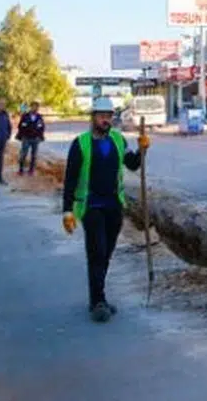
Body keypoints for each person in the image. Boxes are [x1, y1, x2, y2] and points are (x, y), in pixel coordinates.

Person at [61, 96, 150, 323]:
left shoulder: (118, 140)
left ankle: (99, 297)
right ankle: (97, 302)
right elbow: (70, 179)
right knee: (97, 253)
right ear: (93, 118)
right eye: (101, 116)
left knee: (106, 254)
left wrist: (141, 150)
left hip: (114, 207)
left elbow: (132, 165)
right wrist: (67, 211)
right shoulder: (80, 143)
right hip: (90, 206)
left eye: (109, 116)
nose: (106, 120)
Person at [17, 100, 46, 175]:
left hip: (35, 139)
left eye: (37, 107)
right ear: (31, 107)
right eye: (34, 107)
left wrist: (41, 136)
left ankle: (31, 170)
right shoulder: (25, 116)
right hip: (26, 138)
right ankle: (21, 169)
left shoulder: (39, 117)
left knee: (34, 155)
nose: (35, 108)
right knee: (24, 154)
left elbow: (42, 127)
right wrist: (22, 135)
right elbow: (20, 126)